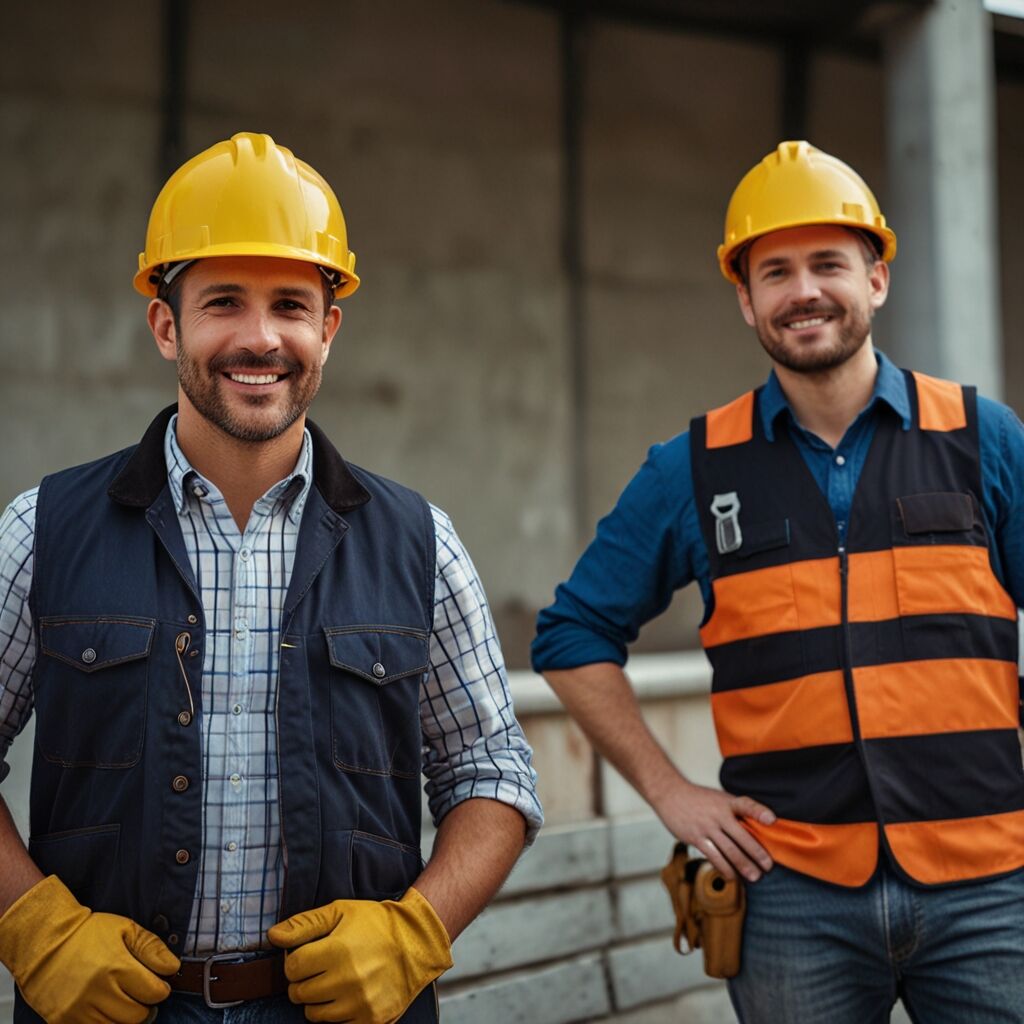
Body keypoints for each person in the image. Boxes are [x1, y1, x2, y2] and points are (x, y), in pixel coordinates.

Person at [0, 132, 542, 1024]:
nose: (261, 338)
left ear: (328, 328)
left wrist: (415, 933)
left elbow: (492, 771)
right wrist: (36, 931)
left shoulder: (419, 542)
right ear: (165, 323)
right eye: (223, 303)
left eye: (292, 304)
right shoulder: (44, 531)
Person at [531, 140, 1024, 1022]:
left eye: (828, 264)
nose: (803, 291)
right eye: (775, 271)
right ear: (745, 299)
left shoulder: (981, 436)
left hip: (993, 887)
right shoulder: (690, 468)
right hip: (793, 894)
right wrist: (671, 793)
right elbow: (570, 638)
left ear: (875, 278)